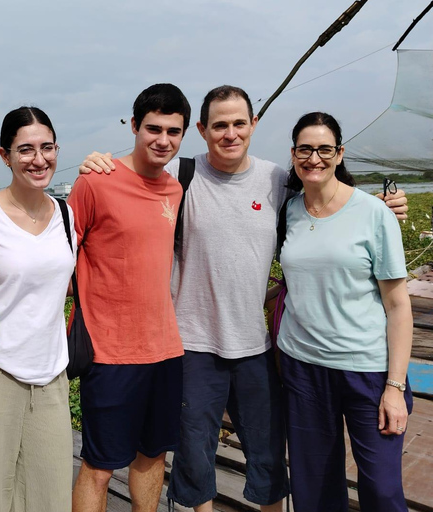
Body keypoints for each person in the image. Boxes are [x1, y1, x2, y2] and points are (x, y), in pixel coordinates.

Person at [79, 85, 409, 512]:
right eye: (219, 125)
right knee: (194, 457)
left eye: (239, 123)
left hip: (256, 346)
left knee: (269, 455)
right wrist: (97, 160)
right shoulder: (180, 175)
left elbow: (327, 195)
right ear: (201, 129)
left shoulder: (276, 180)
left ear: (253, 125)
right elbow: (135, 172)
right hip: (193, 344)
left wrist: (383, 204)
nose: (229, 133)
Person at [277, 111, 413, 512]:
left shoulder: (374, 213)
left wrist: (395, 387)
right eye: (305, 149)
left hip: (367, 370)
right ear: (293, 153)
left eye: (324, 149)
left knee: (382, 489)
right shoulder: (289, 212)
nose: (314, 158)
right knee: (313, 487)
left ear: (339, 154)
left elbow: (398, 304)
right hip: (302, 368)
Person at [69, 83, 189, 512]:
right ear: (134, 126)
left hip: (164, 348)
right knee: (99, 465)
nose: (163, 140)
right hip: (109, 351)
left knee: (154, 453)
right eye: (153, 128)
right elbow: (61, 259)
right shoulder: (95, 182)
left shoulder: (175, 189)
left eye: (173, 132)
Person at [0, 106, 75, 512]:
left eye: (47, 147)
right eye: (25, 149)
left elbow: (58, 288)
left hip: (52, 375)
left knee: (51, 494)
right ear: (4, 155)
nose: (38, 159)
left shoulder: (66, 214)